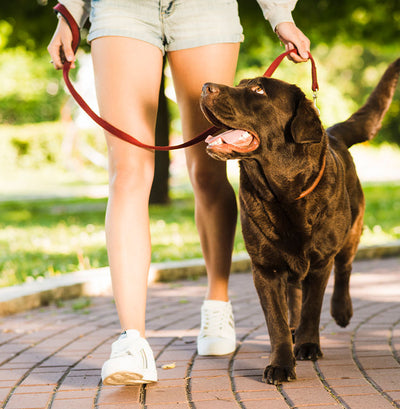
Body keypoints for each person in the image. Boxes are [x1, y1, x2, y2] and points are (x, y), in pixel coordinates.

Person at [48, 0, 310, 385]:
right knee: (129, 171)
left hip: (204, 9)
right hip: (121, 9)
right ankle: (131, 340)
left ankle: (217, 302)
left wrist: (280, 14)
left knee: (207, 169)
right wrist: (68, 13)